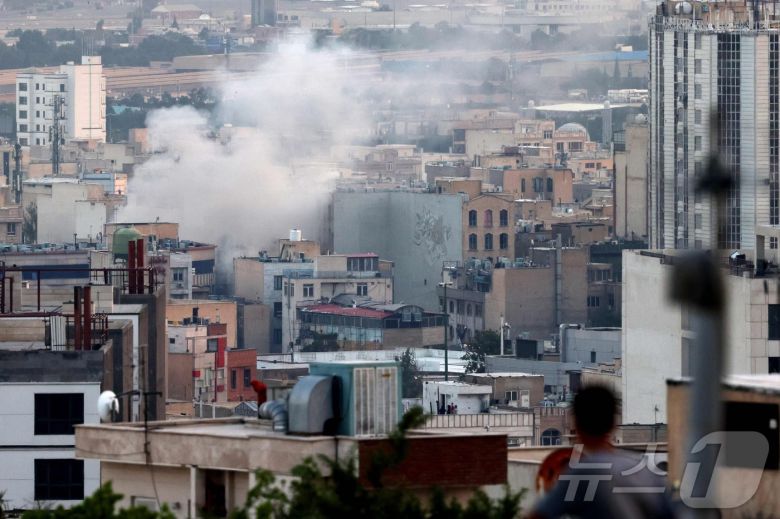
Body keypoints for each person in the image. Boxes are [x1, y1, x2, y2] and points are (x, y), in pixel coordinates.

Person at [530, 386, 676, 518]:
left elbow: (538, 515)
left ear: (577, 426)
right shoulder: (645, 469)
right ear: (613, 424)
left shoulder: (583, 472)